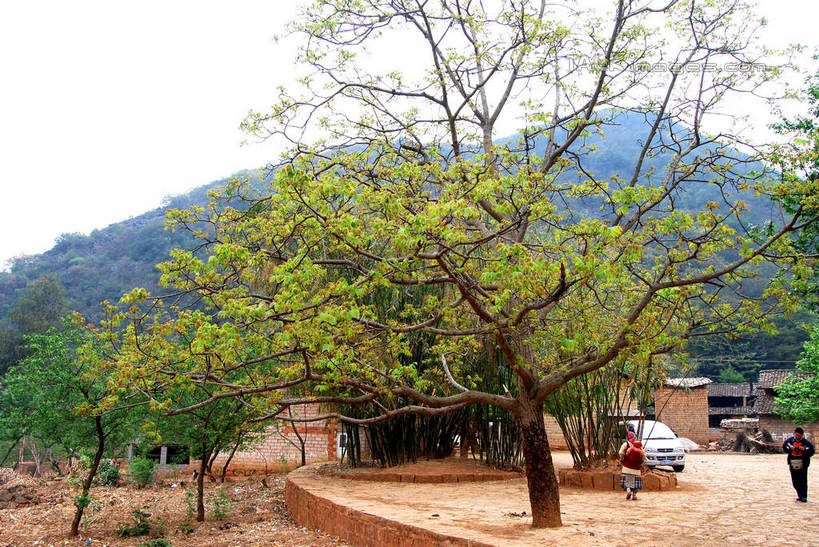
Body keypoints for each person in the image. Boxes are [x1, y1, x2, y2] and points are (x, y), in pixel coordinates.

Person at [783, 427, 815, 503]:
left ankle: (803, 497)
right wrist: (790, 448)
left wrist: (804, 449)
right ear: (794, 434)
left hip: (803, 464)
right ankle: (800, 495)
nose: (798, 437)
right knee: (795, 481)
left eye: (799, 436)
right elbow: (785, 447)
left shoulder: (806, 442)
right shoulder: (789, 441)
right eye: (797, 435)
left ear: (802, 435)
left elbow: (812, 451)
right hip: (793, 463)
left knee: (803, 480)